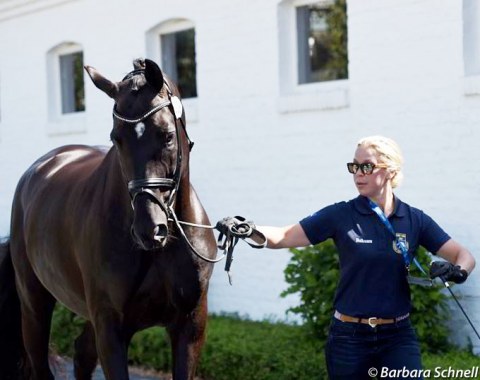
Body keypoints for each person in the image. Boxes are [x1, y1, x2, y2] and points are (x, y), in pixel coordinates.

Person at [223, 136, 476, 379]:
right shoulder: (341, 215)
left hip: (398, 336)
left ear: (390, 171)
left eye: (366, 166)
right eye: (354, 166)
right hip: (349, 338)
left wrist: (458, 271)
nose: (358, 173)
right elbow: (284, 236)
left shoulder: (414, 219)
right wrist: (247, 229)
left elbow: (463, 256)